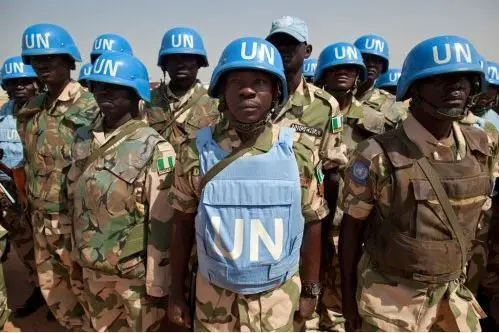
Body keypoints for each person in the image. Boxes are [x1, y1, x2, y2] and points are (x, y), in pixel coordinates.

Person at [340, 35, 494, 332]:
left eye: (464, 78)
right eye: (441, 79)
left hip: (455, 303)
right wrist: (348, 301)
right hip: (392, 307)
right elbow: (351, 230)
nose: (456, 87)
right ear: (414, 88)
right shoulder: (378, 155)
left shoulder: (480, 147)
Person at [167, 36, 320, 331]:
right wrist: (176, 292)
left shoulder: (300, 152)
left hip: (278, 302)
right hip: (215, 304)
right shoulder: (195, 151)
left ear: (276, 91)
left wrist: (311, 289)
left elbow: (313, 221)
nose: (247, 91)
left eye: (260, 82)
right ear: (223, 91)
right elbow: (182, 223)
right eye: (236, 82)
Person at [68, 52, 174, 331]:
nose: (105, 92)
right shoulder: (82, 137)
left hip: (134, 277)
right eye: (100, 85)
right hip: (92, 268)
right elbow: (75, 200)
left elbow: (162, 222)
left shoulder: (154, 146)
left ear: (135, 92)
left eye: (115, 86)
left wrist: (158, 282)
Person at [266, 16, 347, 331]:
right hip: (256, 227)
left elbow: (332, 175)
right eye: (277, 43)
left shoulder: (325, 108)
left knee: (300, 314)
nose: (284, 50)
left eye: (291, 44)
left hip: (304, 231)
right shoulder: (250, 99)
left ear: (307, 50)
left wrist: (325, 234)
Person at [19, 23, 99, 330]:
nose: (42, 65)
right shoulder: (31, 109)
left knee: (88, 294)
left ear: (69, 60)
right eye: (36, 59)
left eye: (50, 58)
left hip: (76, 223)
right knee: (56, 294)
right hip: (40, 221)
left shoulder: (92, 106)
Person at [312, 42, 386, 331]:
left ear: (358, 75)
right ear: (322, 74)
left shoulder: (374, 122)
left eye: (349, 68)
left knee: (346, 307)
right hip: (312, 224)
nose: (341, 73)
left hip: (355, 227)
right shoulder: (307, 116)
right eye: (334, 68)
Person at [0, 56, 45, 318]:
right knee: (25, 245)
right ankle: (39, 289)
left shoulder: (44, 113)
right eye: (12, 83)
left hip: (41, 192)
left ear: (36, 84)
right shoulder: (3, 114)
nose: (19, 87)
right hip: (11, 193)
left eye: (24, 82)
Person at [147, 27, 219, 151]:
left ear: (199, 62)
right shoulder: (148, 102)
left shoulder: (215, 103)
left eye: (187, 57)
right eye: (174, 58)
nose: (180, 64)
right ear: (165, 64)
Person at [354, 34, 407, 129]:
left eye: (377, 61)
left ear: (383, 66)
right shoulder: (332, 96)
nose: (371, 64)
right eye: (366, 59)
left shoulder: (393, 105)